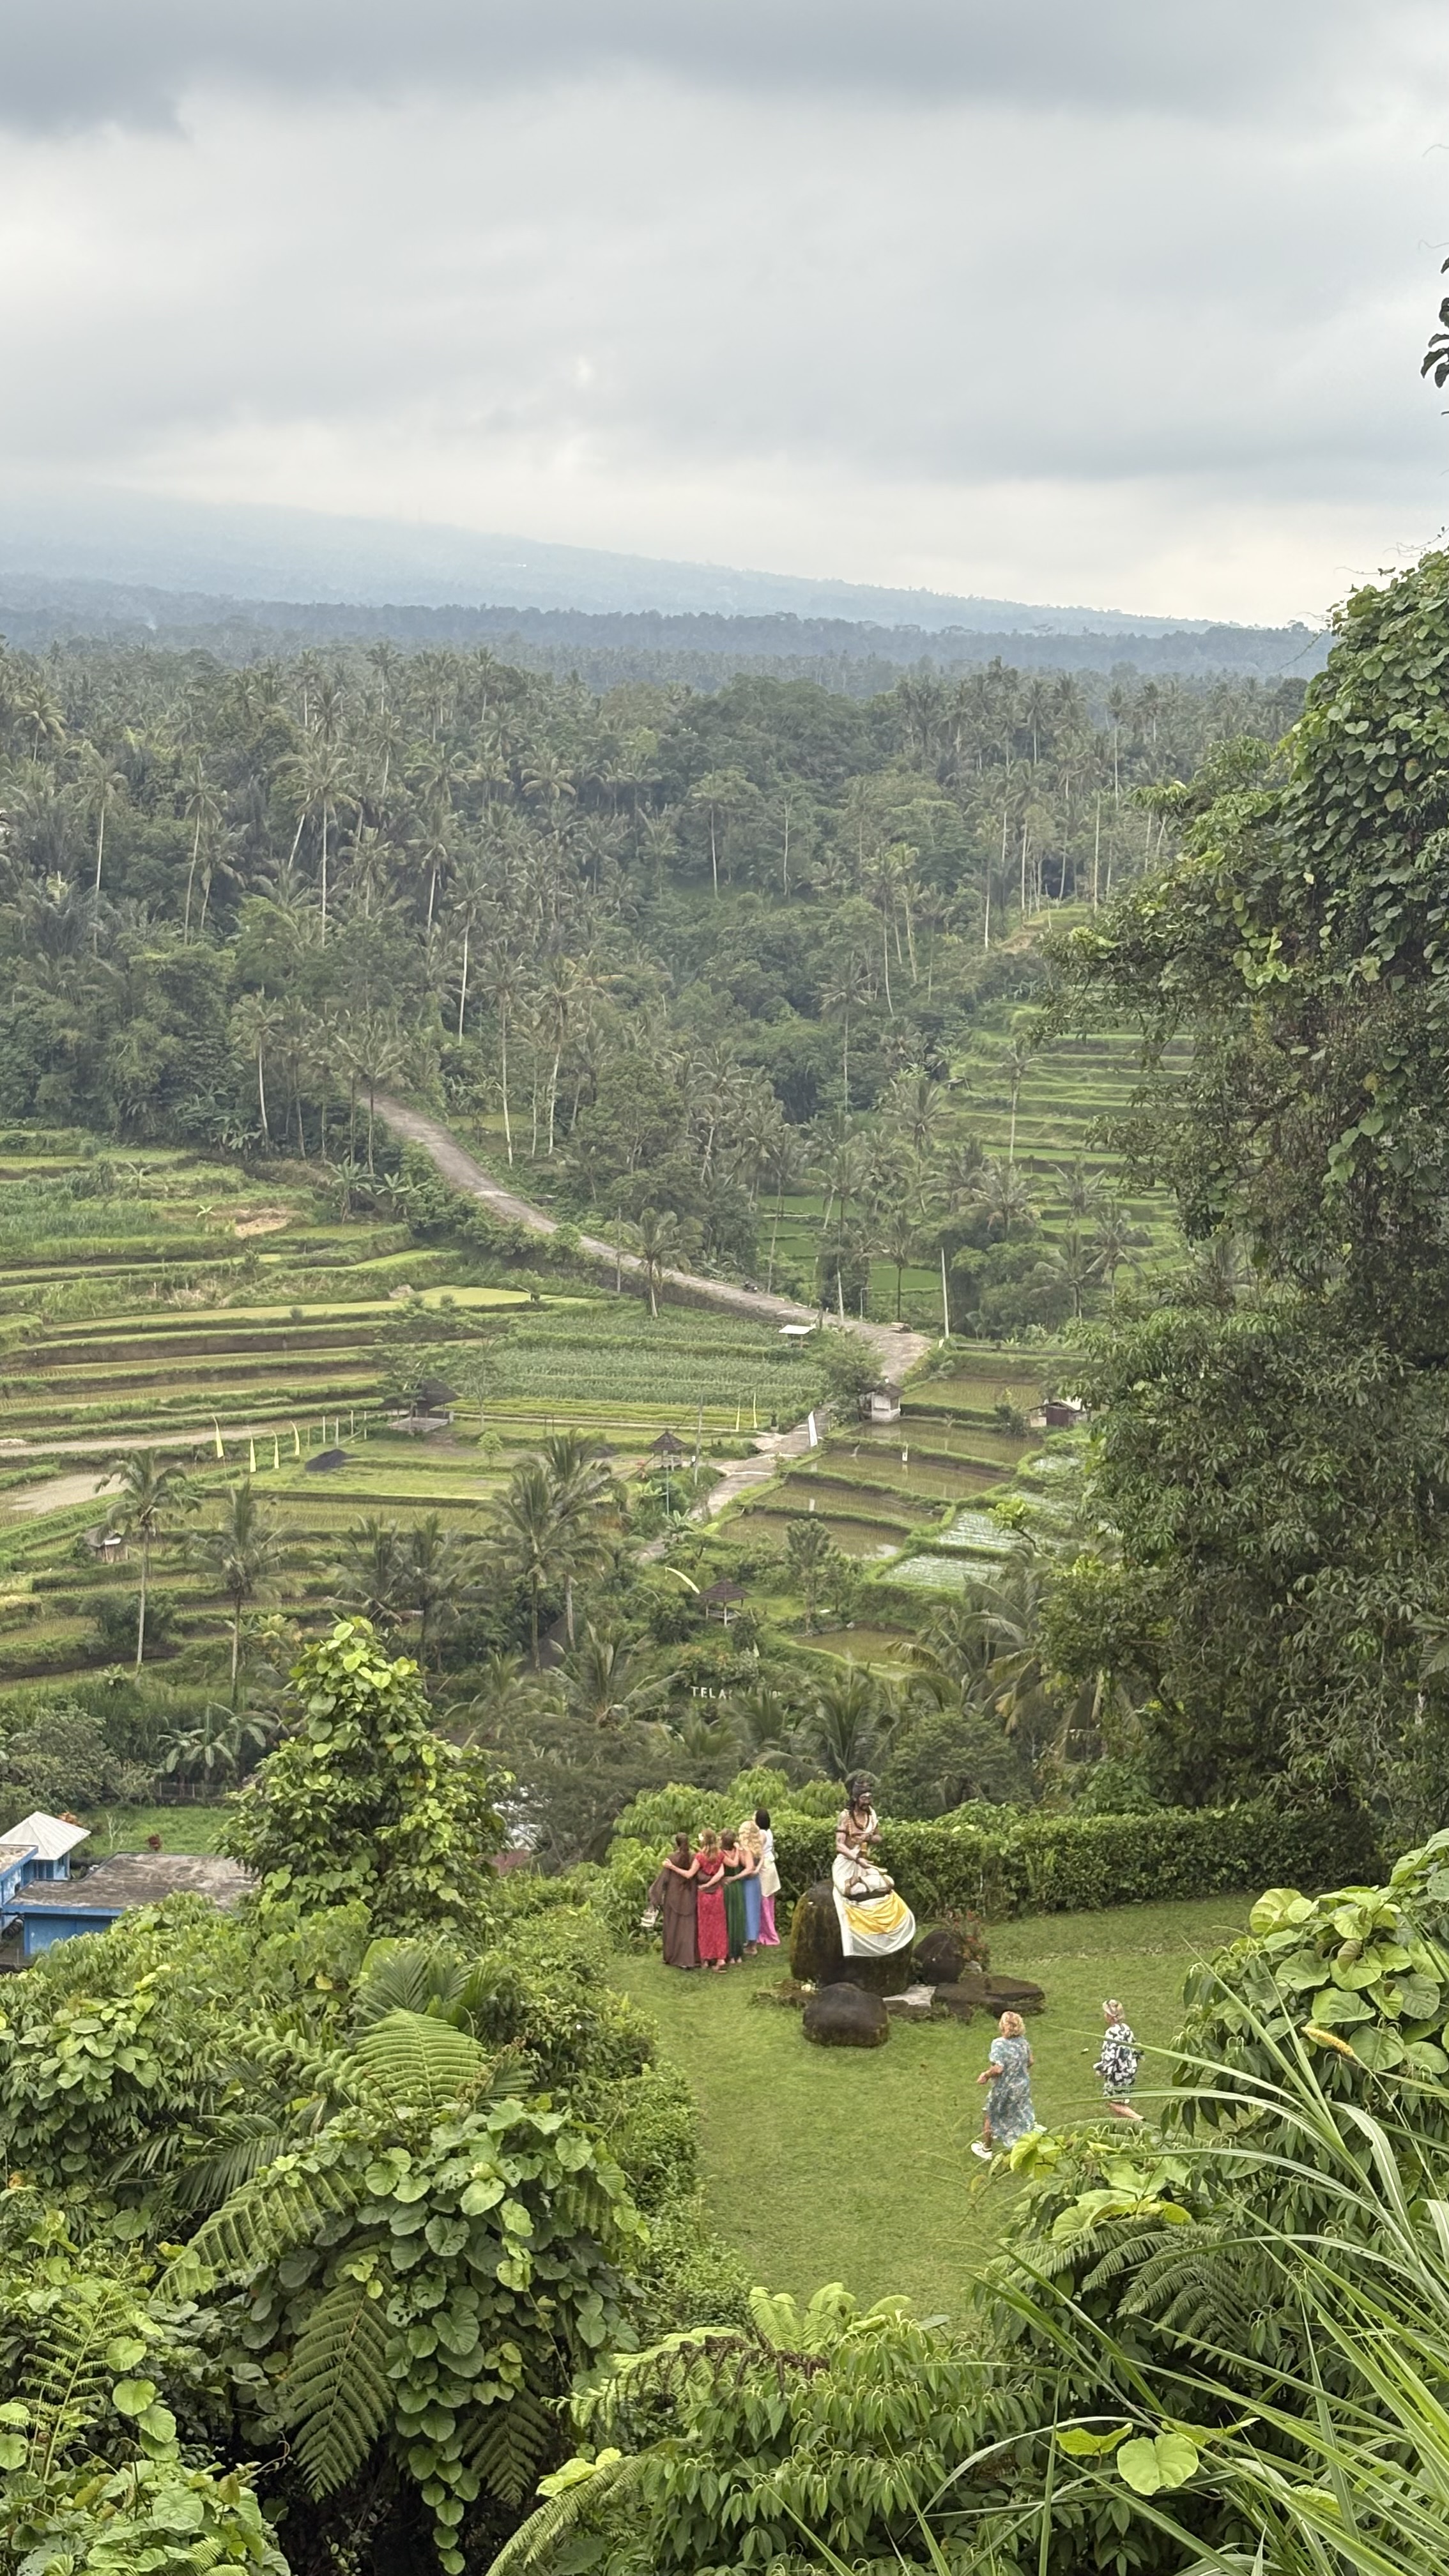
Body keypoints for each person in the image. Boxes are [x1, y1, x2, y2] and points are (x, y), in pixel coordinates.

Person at [831, 1772, 915, 1963]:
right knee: (849, 1890)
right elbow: (839, 1845)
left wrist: (868, 1838)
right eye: (864, 1798)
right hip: (847, 1864)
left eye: (870, 1797)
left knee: (886, 1884)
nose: (868, 1801)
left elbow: (879, 1837)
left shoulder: (872, 1815)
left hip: (865, 1862)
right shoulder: (845, 1816)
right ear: (855, 1798)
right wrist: (856, 1859)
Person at [972, 2011, 1037, 2159]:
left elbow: (998, 2068)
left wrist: (986, 2075)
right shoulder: (1023, 2042)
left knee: (991, 2114)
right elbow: (1031, 2062)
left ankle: (987, 2149)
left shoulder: (999, 2044)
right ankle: (1025, 2148)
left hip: (1005, 2088)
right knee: (1021, 2115)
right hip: (1022, 2087)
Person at [1096, 1998, 1143, 2120]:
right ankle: (1123, 2126)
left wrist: (1101, 2069)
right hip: (1128, 2071)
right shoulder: (1126, 2028)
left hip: (1117, 2074)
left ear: (1110, 2017)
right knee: (1120, 2101)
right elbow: (1136, 2047)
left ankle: (1139, 2119)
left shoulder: (1111, 2033)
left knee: (1113, 2102)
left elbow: (1110, 2056)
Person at [659, 1831, 699, 1971]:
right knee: (689, 1927)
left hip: (674, 1895)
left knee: (674, 1926)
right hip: (690, 1895)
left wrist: (656, 1894)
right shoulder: (694, 1857)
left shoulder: (671, 1858)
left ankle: (673, 1957)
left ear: (676, 1844)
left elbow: (664, 1879)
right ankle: (692, 1958)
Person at [720, 1828, 755, 1963]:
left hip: (726, 1888)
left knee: (728, 1920)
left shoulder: (720, 1853)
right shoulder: (738, 1852)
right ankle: (737, 1954)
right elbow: (749, 1868)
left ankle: (729, 1953)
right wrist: (737, 1877)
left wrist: (731, 1878)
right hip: (737, 1888)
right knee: (737, 1918)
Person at [695, 1830, 728, 1970]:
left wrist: (705, 1885)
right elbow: (723, 1871)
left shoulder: (700, 1857)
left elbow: (691, 1873)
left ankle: (706, 1959)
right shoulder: (720, 1855)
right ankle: (720, 1958)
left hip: (704, 1895)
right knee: (719, 1925)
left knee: (705, 1925)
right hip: (718, 1893)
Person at [737, 1812, 765, 1954]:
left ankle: (751, 1945)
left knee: (747, 1911)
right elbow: (762, 1859)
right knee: (754, 1911)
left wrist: (738, 1852)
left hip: (747, 1883)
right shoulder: (757, 1846)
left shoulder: (745, 1849)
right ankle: (752, 1942)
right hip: (756, 1881)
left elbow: (745, 1865)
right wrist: (757, 1871)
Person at [755, 1806, 781, 1947]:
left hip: (764, 1866)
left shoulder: (761, 1834)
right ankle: (769, 1928)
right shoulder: (768, 1832)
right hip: (770, 1865)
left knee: (764, 1900)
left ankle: (768, 1933)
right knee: (769, 1899)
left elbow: (757, 1851)